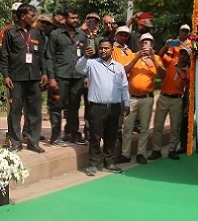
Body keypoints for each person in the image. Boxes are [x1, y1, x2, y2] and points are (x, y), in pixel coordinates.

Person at [0, 3, 51, 153]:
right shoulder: (10, 33)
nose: (34, 18)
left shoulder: (37, 33)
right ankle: (16, 142)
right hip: (16, 79)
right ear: (23, 16)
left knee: (35, 111)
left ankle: (32, 141)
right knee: (15, 111)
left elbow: (42, 55)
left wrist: (45, 73)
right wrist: (6, 75)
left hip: (34, 79)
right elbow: (5, 56)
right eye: (31, 16)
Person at [75, 39, 130, 176]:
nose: (103, 50)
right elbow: (78, 68)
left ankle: (109, 163)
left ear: (112, 50)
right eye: (101, 48)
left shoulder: (119, 67)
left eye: (106, 48)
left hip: (114, 107)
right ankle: (93, 164)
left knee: (111, 136)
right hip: (96, 108)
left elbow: (124, 87)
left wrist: (127, 103)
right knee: (95, 136)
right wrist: (85, 57)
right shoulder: (92, 64)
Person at [115, 32, 164, 165]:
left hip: (147, 98)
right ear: (139, 44)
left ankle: (141, 153)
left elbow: (162, 74)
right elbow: (124, 71)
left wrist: (153, 57)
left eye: (148, 42)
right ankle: (125, 154)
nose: (145, 44)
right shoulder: (132, 55)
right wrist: (137, 57)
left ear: (152, 45)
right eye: (143, 42)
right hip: (131, 98)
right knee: (128, 127)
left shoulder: (157, 58)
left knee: (144, 127)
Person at [47, 8, 88, 146]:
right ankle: (55, 136)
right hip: (60, 76)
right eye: (72, 18)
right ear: (65, 19)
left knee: (74, 106)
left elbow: (86, 57)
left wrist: (86, 75)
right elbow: (49, 57)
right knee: (56, 106)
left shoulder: (82, 35)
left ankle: (72, 133)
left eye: (77, 18)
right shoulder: (55, 35)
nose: (75, 20)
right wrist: (51, 78)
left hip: (77, 77)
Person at [148, 47, 190, 161]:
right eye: (181, 53)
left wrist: (188, 105)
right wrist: (166, 45)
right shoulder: (171, 62)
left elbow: (188, 90)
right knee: (158, 126)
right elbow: (161, 55)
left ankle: (172, 150)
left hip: (177, 100)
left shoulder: (189, 71)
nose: (182, 56)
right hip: (163, 97)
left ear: (188, 58)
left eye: (185, 55)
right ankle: (156, 151)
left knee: (175, 127)